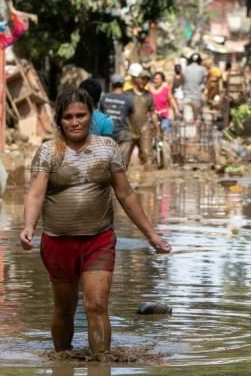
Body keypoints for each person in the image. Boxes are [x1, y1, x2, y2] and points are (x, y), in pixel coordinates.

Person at [19, 87, 172, 356]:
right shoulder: (47, 152)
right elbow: (36, 193)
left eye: (81, 115)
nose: (75, 121)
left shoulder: (107, 149)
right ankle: (62, 363)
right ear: (60, 120)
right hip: (58, 241)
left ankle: (101, 367)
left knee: (97, 304)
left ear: (92, 116)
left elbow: (125, 194)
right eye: (68, 117)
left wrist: (151, 235)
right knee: (64, 309)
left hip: (98, 240)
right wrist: (29, 226)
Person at [126, 70, 160, 171]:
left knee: (148, 155)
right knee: (124, 158)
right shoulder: (127, 94)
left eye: (146, 80)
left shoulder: (148, 95)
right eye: (142, 79)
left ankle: (148, 183)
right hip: (129, 128)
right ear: (136, 79)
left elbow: (152, 113)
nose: (144, 81)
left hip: (144, 128)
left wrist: (157, 128)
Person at [100, 74, 135, 166]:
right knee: (121, 165)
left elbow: (100, 115)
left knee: (106, 164)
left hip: (106, 133)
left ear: (111, 85)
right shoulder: (128, 100)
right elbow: (131, 118)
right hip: (122, 134)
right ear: (123, 85)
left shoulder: (104, 98)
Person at [181, 53, 207, 123]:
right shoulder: (203, 69)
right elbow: (204, 83)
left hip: (187, 97)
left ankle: (189, 133)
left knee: (188, 119)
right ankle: (197, 133)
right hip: (197, 98)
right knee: (197, 118)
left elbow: (182, 81)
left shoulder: (184, 69)